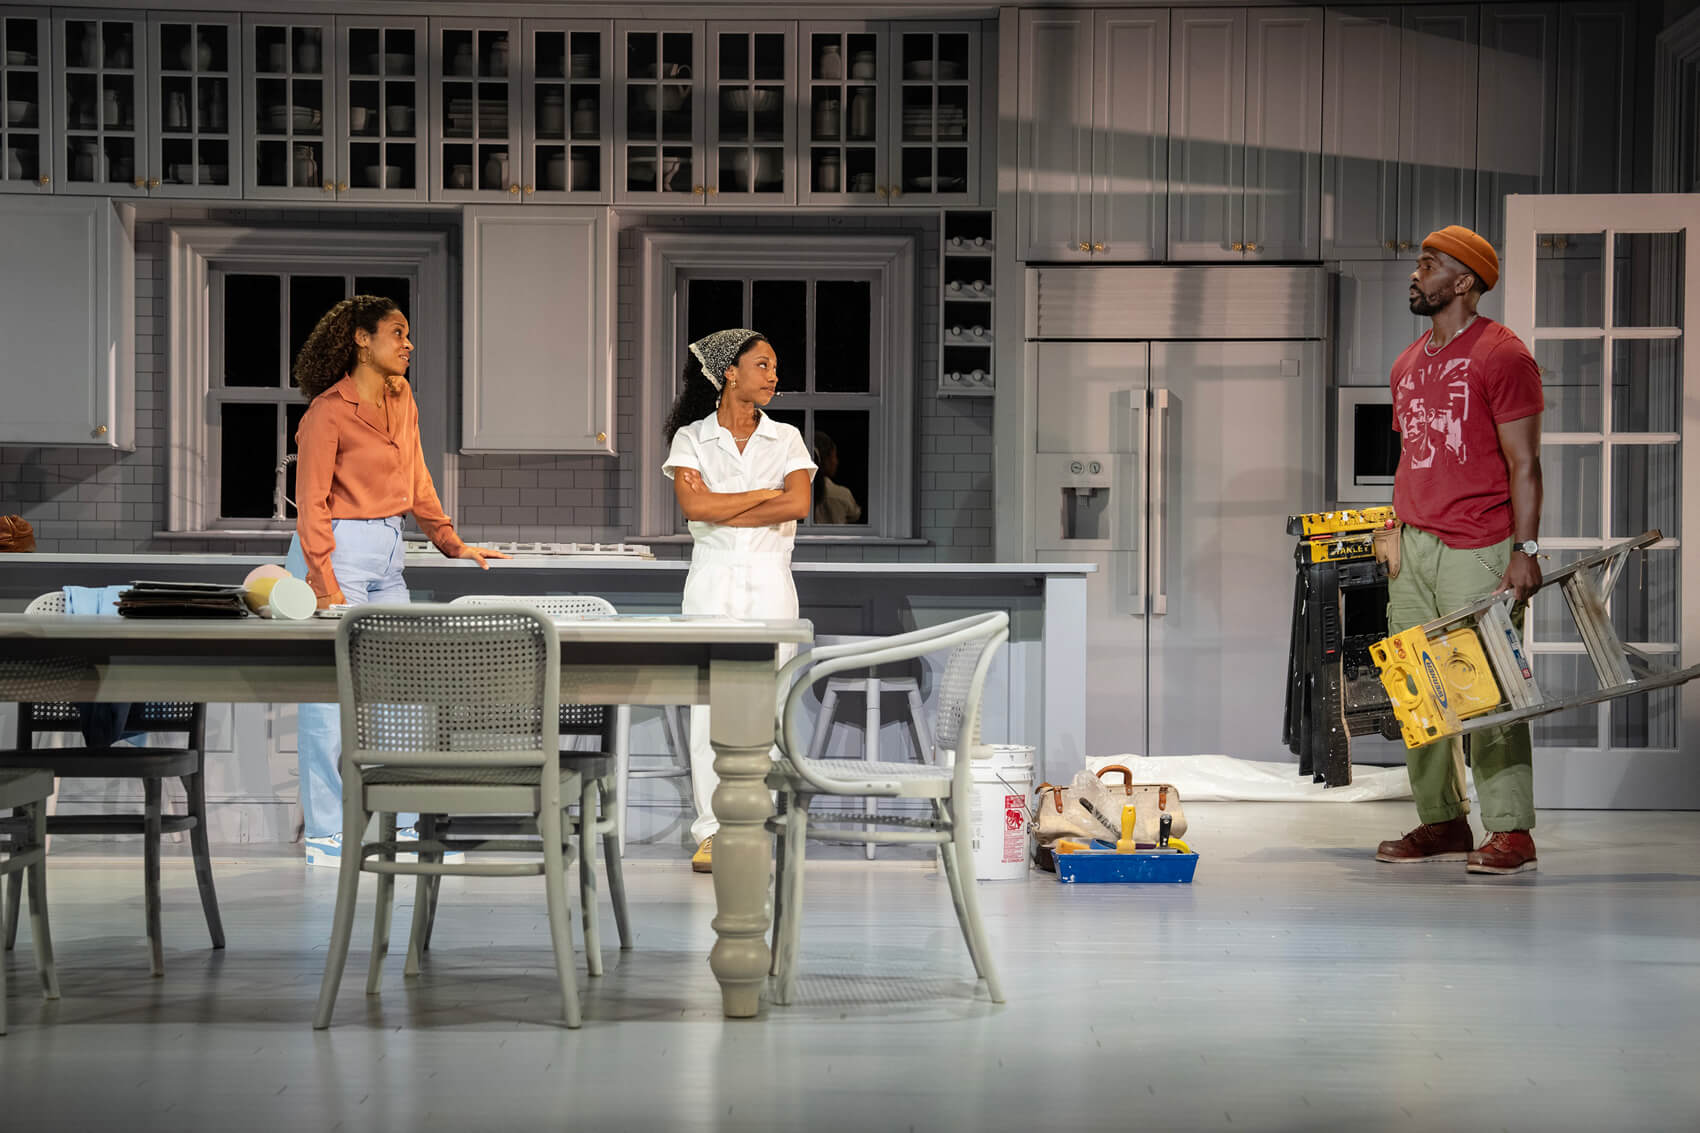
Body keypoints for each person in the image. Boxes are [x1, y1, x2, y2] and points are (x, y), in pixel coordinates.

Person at [284, 295, 508, 866]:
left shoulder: (400, 396)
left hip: (388, 554)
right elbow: (310, 504)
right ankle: (326, 836)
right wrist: (323, 584)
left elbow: (418, 476)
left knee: (406, 698)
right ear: (362, 339)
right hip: (335, 551)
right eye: (397, 333)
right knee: (330, 706)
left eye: (408, 334)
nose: (408, 344)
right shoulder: (326, 413)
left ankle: (406, 829)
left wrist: (450, 540)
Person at [1375, 225, 1545, 876]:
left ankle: (1511, 829)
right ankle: (1443, 819)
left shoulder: (1502, 354)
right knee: (1414, 684)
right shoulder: (1407, 363)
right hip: (1413, 546)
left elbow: (1524, 461)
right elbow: (1416, 453)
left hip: (1480, 543)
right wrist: (1394, 527)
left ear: (1464, 280)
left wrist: (1524, 548)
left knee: (1487, 690)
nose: (1415, 273)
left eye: (1429, 263)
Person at [662, 329, 816, 872]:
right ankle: (712, 832)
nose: (774, 375)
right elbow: (692, 504)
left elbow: (797, 502)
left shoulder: (788, 439)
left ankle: (753, 828)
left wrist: (718, 506)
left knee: (768, 709)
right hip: (712, 583)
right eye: (763, 365)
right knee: (710, 711)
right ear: (730, 372)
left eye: (775, 366)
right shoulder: (692, 439)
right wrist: (759, 495)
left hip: (771, 582)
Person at [812, 431, 863, 525]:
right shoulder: (842, 494)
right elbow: (855, 516)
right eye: (834, 456)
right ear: (826, 460)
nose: (836, 462)